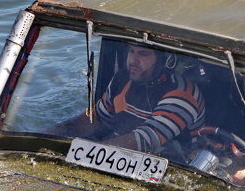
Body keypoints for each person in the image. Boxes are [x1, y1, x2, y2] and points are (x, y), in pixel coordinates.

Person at [51, 43, 205, 155]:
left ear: (164, 61)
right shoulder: (122, 78)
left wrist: (87, 152)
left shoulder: (182, 93)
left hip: (173, 165)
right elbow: (98, 118)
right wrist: (53, 132)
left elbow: (145, 141)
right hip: (116, 154)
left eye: (143, 54)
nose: (133, 60)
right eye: (131, 51)